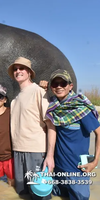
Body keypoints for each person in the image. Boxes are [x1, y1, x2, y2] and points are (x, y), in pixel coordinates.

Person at [44, 69, 100, 200]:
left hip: (77, 171)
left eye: (63, 83)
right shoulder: (54, 107)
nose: (59, 86)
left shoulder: (81, 109)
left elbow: (99, 133)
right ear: (51, 87)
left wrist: (95, 161)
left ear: (70, 86)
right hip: (58, 169)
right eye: (55, 84)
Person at [7, 57, 56, 199]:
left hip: (36, 152)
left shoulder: (39, 92)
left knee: (40, 194)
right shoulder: (15, 98)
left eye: (21, 68)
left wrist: (50, 155)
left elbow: (50, 125)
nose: (18, 71)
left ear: (29, 72)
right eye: (15, 69)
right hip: (17, 151)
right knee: (21, 194)